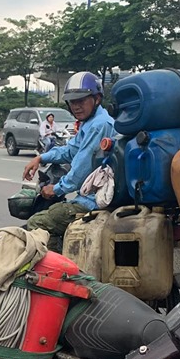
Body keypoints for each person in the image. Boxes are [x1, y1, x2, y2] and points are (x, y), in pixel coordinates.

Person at [22, 71, 117, 252]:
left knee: (37, 222)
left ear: (96, 98)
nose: (76, 106)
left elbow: (81, 170)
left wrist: (56, 189)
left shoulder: (100, 125)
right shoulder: (89, 123)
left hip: (93, 202)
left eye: (81, 101)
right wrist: (41, 157)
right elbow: (70, 150)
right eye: (72, 102)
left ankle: (57, 274)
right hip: (91, 196)